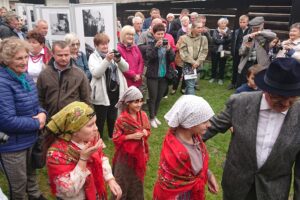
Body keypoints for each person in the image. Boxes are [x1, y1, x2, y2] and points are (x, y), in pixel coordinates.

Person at [203, 57, 300, 200]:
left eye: (292, 97)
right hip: (236, 187)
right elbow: (204, 131)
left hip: (274, 192)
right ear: (266, 89)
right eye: (278, 97)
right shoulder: (240, 102)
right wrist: (197, 164)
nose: (286, 103)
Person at [0, 38, 47, 200]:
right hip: (12, 146)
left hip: (30, 139)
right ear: (6, 60)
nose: (24, 61)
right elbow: (6, 120)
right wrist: (37, 122)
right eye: (19, 58)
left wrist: (42, 113)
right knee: (18, 187)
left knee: (31, 175)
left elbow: (35, 103)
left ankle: (35, 196)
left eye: (26, 57)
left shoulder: (24, 76)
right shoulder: (2, 82)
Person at [45, 101, 122, 200]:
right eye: (90, 125)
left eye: (95, 122)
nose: (96, 128)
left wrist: (110, 179)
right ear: (74, 130)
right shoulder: (56, 153)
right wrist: (83, 159)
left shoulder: (92, 138)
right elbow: (67, 191)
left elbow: (101, 157)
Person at [153, 95, 219, 199]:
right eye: (205, 121)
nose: (209, 125)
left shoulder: (195, 138)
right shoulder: (176, 153)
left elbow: (197, 165)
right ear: (191, 122)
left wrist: (208, 175)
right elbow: (172, 188)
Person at [112, 86, 151, 200]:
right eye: (135, 102)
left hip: (139, 155)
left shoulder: (143, 115)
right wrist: (131, 136)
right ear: (128, 103)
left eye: (140, 101)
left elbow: (148, 130)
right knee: (122, 180)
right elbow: (116, 138)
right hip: (124, 157)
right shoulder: (121, 119)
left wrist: (145, 133)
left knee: (137, 180)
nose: (139, 104)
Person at [89, 33, 128, 139]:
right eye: (102, 44)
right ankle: (99, 138)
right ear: (96, 46)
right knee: (100, 118)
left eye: (106, 44)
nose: (105, 46)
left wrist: (119, 60)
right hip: (101, 92)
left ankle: (112, 135)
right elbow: (96, 73)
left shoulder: (113, 53)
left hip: (114, 91)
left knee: (112, 115)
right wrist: (107, 60)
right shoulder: (93, 57)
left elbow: (126, 68)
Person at [37, 41, 91, 118]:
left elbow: (86, 98)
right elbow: (40, 98)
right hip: (50, 119)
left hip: (72, 121)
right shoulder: (44, 74)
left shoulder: (79, 74)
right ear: (52, 54)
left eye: (66, 55)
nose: (64, 58)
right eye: (60, 55)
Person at [140, 23, 175, 128]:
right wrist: (156, 47)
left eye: (162, 34)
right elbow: (149, 57)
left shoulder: (166, 45)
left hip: (164, 75)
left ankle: (155, 116)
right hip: (153, 76)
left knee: (159, 97)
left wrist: (169, 50)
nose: (160, 36)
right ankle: (151, 118)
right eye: (158, 34)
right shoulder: (150, 45)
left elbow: (172, 59)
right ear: (153, 34)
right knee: (153, 97)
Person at [237, 16, 276, 87]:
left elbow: (274, 35)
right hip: (248, 64)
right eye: (253, 28)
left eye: (257, 27)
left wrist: (259, 32)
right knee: (244, 83)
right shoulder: (247, 37)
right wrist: (247, 46)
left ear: (262, 25)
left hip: (261, 64)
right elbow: (241, 53)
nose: (254, 29)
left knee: (260, 84)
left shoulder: (266, 34)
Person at [179, 20, 208, 95]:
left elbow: (204, 52)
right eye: (198, 27)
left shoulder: (204, 39)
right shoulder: (184, 38)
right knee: (191, 85)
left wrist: (197, 62)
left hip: (198, 65)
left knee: (191, 84)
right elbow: (183, 52)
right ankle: (192, 103)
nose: (200, 29)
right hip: (188, 65)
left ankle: (185, 100)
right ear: (192, 28)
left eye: (201, 27)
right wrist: (193, 62)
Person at [228, 15, 251, 90]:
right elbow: (233, 42)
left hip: (245, 53)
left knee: (243, 69)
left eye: (244, 22)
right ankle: (233, 82)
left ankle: (241, 83)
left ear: (247, 22)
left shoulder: (250, 31)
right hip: (237, 53)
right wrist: (233, 52)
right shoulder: (237, 31)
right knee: (235, 68)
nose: (242, 24)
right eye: (240, 22)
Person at [209, 17, 232, 85]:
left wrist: (225, 35)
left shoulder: (228, 31)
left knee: (222, 65)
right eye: (221, 23)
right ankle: (213, 77)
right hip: (215, 51)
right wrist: (225, 39)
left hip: (224, 51)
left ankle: (221, 79)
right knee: (214, 65)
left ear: (226, 24)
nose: (223, 24)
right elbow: (215, 40)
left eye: (224, 23)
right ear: (218, 24)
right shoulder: (215, 31)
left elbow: (229, 40)